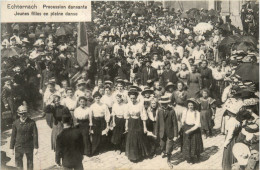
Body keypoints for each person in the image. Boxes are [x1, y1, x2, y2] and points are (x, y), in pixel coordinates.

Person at [125, 88, 151, 162]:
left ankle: (139, 155)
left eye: (134, 98)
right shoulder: (128, 105)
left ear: (136, 97)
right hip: (131, 122)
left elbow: (143, 116)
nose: (132, 100)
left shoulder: (140, 105)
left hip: (138, 123)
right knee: (131, 138)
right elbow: (127, 117)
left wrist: (145, 127)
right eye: (131, 98)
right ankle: (132, 156)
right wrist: (126, 126)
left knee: (139, 138)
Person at [10, 105, 38, 170]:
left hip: (29, 146)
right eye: (21, 114)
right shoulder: (15, 123)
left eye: (24, 113)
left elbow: (35, 135)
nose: (23, 115)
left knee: (30, 163)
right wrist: (11, 148)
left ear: (27, 113)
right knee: (18, 165)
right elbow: (13, 136)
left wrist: (36, 147)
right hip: (18, 146)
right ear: (18, 114)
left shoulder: (32, 122)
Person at [155, 96, 178, 168]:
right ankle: (164, 152)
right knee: (162, 146)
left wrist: (175, 135)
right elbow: (157, 123)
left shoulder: (172, 111)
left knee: (169, 148)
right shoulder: (159, 111)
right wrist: (156, 133)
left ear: (168, 103)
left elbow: (175, 124)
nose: (164, 105)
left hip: (170, 132)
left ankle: (169, 160)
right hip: (162, 133)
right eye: (162, 104)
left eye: (165, 104)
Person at [180, 98, 203, 164]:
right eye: (189, 105)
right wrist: (183, 125)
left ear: (194, 106)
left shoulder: (197, 113)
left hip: (194, 129)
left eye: (192, 105)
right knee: (187, 143)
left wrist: (190, 130)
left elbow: (197, 124)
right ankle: (189, 158)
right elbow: (183, 119)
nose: (190, 107)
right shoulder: (185, 111)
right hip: (187, 127)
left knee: (195, 143)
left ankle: (197, 156)